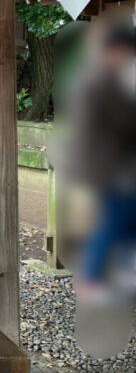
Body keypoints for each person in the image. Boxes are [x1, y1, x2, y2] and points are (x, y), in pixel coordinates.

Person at [64, 18, 136, 296]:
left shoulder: (95, 77)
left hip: (104, 162)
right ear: (116, 49)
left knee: (124, 217)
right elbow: (126, 120)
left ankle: (118, 269)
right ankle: (91, 278)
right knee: (114, 219)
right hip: (106, 165)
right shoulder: (102, 80)